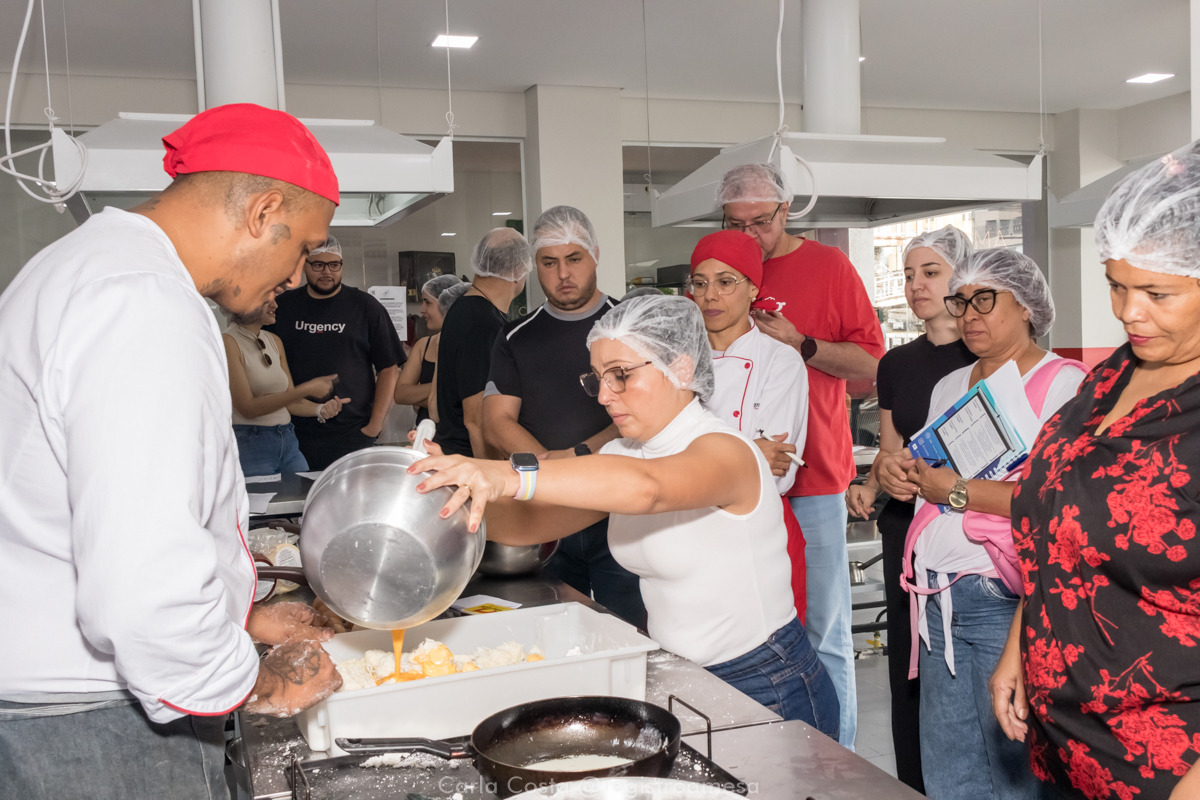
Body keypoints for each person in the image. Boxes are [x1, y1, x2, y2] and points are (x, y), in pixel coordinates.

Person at [0, 103, 343, 800]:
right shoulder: (145, 304)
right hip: (93, 727)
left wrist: (236, 616)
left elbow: (80, 512)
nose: (296, 272)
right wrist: (251, 679)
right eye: (303, 246)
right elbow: (141, 573)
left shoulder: (81, 265)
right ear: (263, 211)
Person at [412, 295, 840, 736]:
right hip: (679, 674)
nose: (603, 395)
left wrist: (502, 474)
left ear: (682, 368)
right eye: (597, 378)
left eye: (620, 375)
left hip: (765, 680)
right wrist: (445, 495)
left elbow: (648, 488)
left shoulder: (727, 451)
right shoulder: (621, 453)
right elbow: (529, 524)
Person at [991, 142, 1200, 800]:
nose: (1126, 311)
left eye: (1156, 293)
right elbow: (1060, 521)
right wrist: (1019, 647)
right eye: (1116, 284)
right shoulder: (1113, 376)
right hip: (1065, 749)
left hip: (1165, 768)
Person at [899, 248, 1087, 800]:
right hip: (935, 597)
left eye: (985, 299)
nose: (968, 313)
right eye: (961, 301)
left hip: (1001, 598)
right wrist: (902, 476)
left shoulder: (1064, 385)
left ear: (1027, 305)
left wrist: (953, 490)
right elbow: (929, 476)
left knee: (1012, 770)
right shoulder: (949, 386)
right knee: (948, 768)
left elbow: (1060, 503)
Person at [718, 162, 886, 748]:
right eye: (734, 223)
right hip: (730, 487)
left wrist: (803, 344)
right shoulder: (721, 274)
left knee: (824, 632)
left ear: (787, 213)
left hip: (813, 484)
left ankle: (839, 764)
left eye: (760, 222)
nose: (748, 236)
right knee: (745, 633)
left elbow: (870, 369)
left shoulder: (829, 268)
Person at [844, 225, 976, 793]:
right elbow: (891, 450)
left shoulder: (988, 355)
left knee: (968, 663)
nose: (915, 284)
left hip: (973, 528)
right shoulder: (896, 364)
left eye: (930, 272)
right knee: (910, 668)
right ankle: (914, 784)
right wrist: (876, 483)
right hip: (908, 530)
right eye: (908, 274)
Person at [483, 206, 643, 626]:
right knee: (550, 627)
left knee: (626, 629)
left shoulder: (629, 325)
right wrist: (551, 473)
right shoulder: (518, 336)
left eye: (574, 259)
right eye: (549, 263)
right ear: (533, 266)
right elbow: (497, 421)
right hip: (546, 514)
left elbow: (645, 412)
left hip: (619, 508)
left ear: (595, 255)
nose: (563, 273)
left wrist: (580, 457)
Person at [689, 229, 810, 622]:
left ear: (753, 288)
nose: (711, 296)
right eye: (701, 283)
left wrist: (689, 461)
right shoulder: (677, 361)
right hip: (690, 532)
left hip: (761, 533)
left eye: (726, 282)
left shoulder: (781, 360)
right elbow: (654, 453)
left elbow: (775, 470)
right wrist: (748, 453)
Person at [266, 235, 404, 470]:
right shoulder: (283, 307)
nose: (326, 272)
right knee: (296, 504)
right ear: (304, 266)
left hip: (352, 433)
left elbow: (389, 368)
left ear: (341, 265)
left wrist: (374, 426)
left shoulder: (366, 307)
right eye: (318, 265)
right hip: (293, 433)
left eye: (334, 265)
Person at [224, 296, 350, 476]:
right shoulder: (228, 341)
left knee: (303, 500)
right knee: (260, 504)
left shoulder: (274, 340)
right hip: (251, 443)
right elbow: (247, 408)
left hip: (288, 440)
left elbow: (289, 401)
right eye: (267, 300)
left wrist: (321, 409)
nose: (275, 305)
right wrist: (306, 389)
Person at [434, 228, 531, 457]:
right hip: (469, 460)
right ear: (518, 271)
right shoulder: (480, 323)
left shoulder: (470, 310)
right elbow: (477, 420)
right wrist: (491, 482)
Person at [395, 274, 464, 424]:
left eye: (428, 302)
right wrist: (445, 390)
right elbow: (401, 394)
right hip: (425, 436)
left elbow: (466, 404)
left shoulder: (468, 347)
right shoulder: (423, 345)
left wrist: (419, 398)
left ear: (447, 304)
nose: (421, 309)